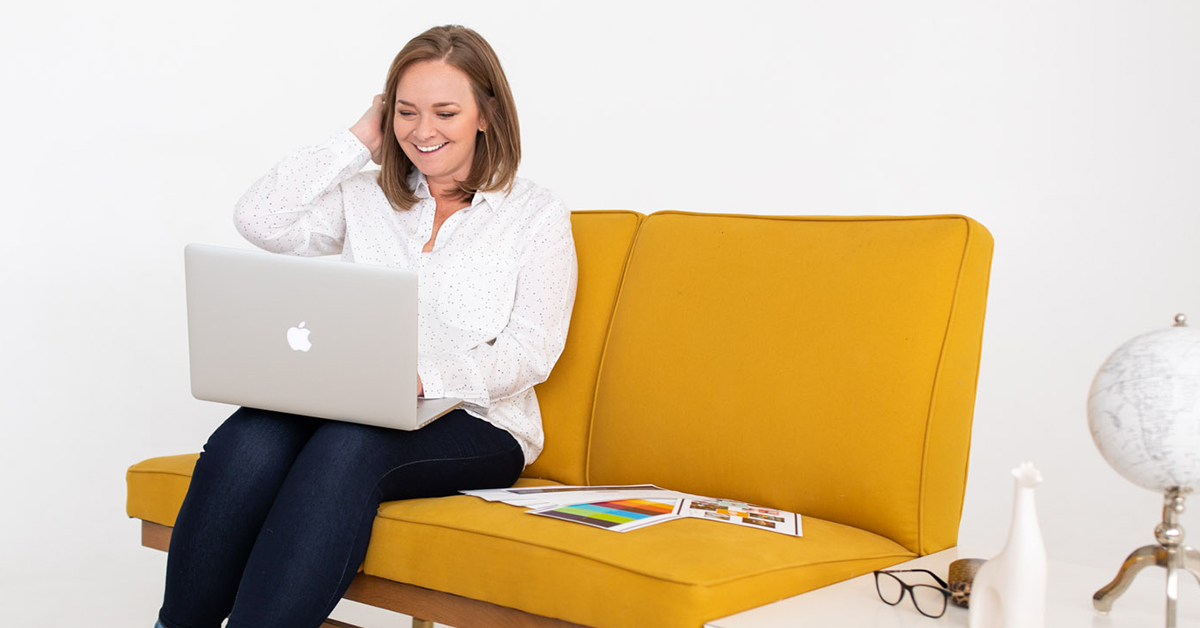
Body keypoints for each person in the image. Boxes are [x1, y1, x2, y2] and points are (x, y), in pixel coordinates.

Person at [155, 25, 577, 628]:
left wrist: (419, 379)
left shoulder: (535, 214)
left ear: (486, 114)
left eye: (445, 112)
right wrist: (357, 139)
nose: (422, 131)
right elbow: (260, 218)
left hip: (477, 423)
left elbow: (533, 351)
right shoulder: (368, 197)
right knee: (247, 439)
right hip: (351, 406)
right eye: (406, 111)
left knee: (348, 449)